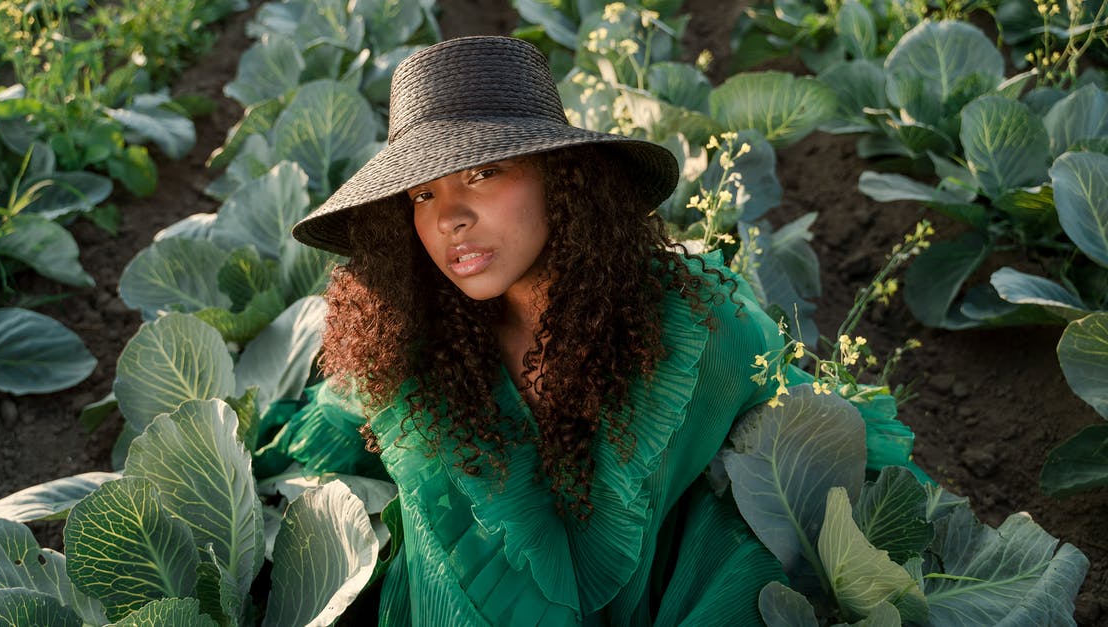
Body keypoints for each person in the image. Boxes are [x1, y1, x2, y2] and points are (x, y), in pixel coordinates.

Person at [287, 35, 786, 625]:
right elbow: (332, 418)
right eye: (423, 194)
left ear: (562, 177)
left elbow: (787, 423)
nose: (449, 219)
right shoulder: (411, 343)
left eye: (482, 173)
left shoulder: (703, 328)